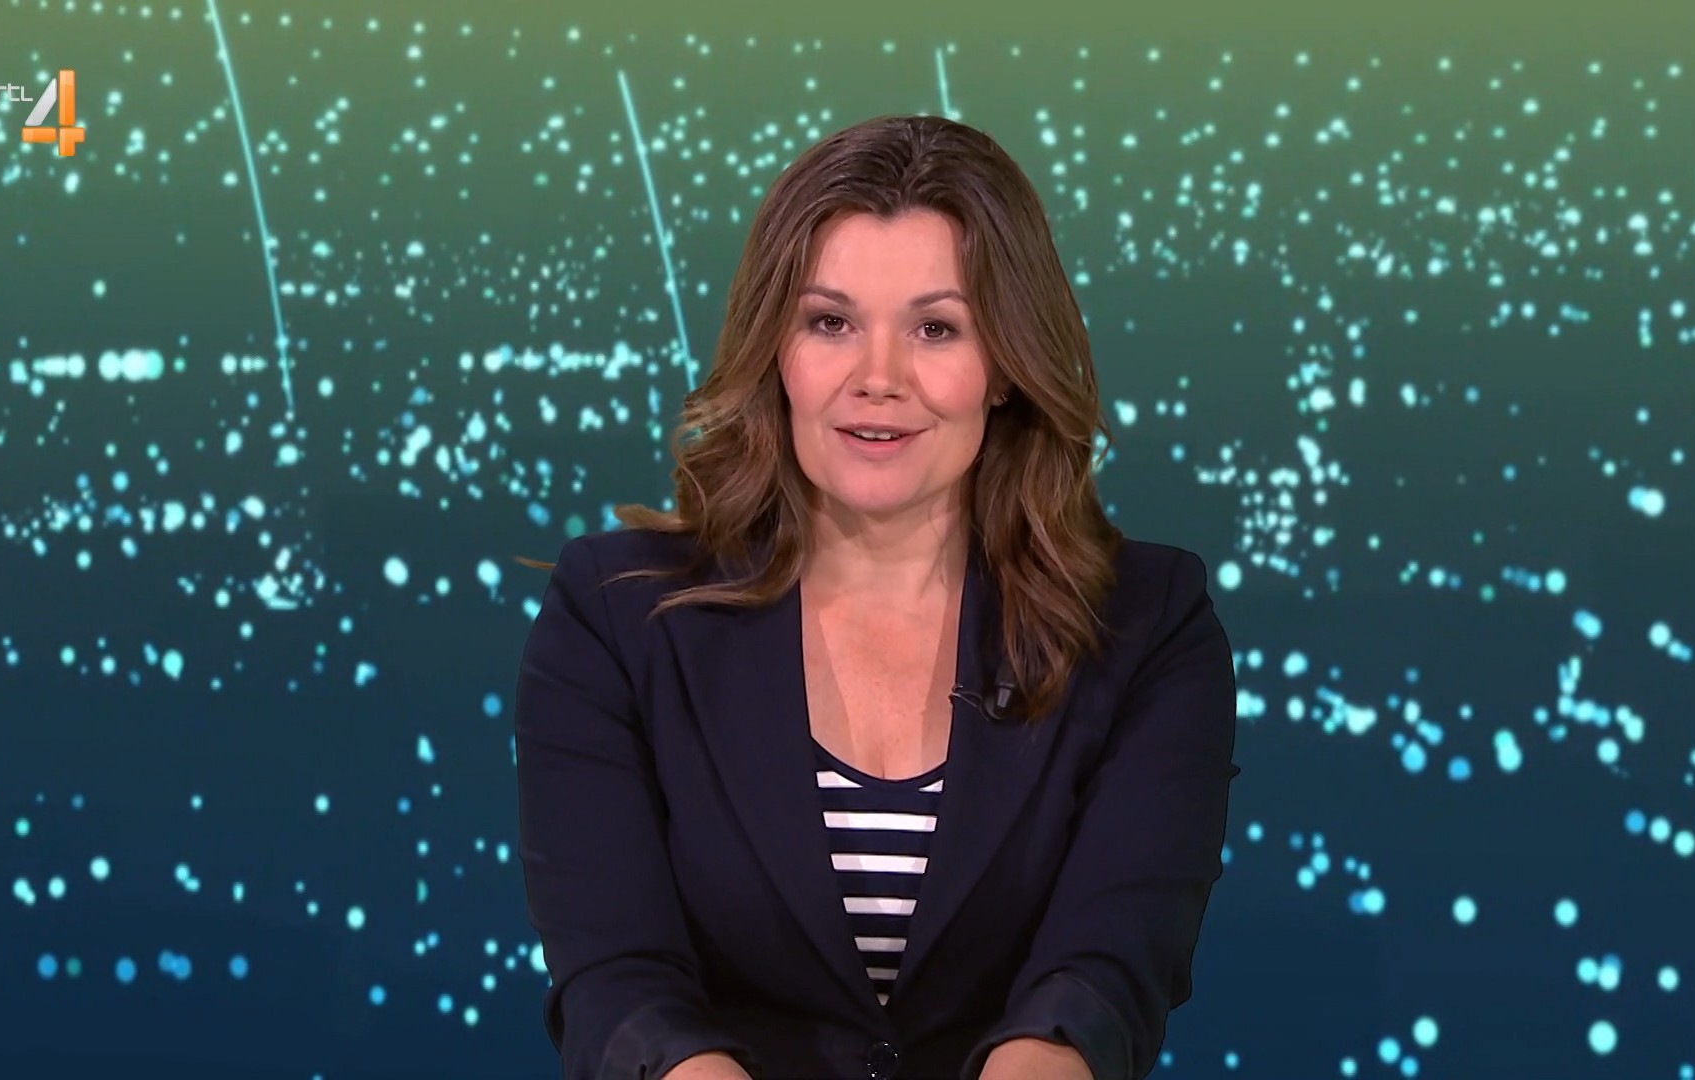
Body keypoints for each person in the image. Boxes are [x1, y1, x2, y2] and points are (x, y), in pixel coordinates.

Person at [514, 113, 1239, 1080]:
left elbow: (1103, 976)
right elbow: (621, 989)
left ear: (1005, 369)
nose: (878, 380)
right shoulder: (615, 616)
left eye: (936, 329)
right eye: (831, 323)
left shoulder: (1149, 624)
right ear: (777, 349)